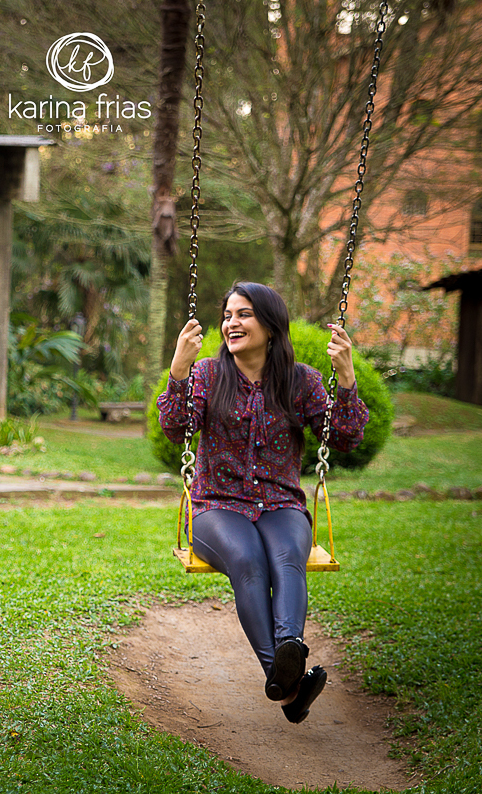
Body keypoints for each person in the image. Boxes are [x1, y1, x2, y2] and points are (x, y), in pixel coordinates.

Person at [157, 281, 369, 724]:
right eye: (228, 315)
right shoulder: (207, 376)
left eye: (244, 314)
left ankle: (287, 663)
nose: (232, 323)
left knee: (287, 557)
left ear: (271, 325)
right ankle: (287, 676)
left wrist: (346, 376)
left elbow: (346, 438)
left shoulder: (302, 381)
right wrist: (179, 368)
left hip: (280, 504)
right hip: (218, 505)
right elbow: (177, 428)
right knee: (248, 560)